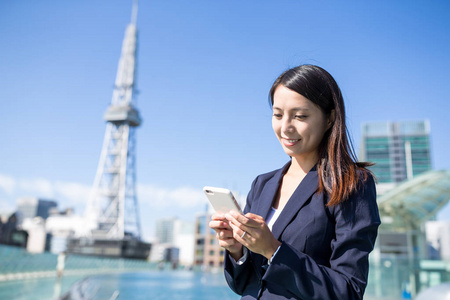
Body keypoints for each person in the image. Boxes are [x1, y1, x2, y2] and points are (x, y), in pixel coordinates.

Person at [209, 64, 381, 299]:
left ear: (330, 118)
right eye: (278, 115)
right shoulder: (262, 184)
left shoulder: (351, 183)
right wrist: (237, 249)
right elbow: (245, 284)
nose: (285, 127)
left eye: (300, 116)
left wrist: (273, 250)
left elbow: (348, 291)